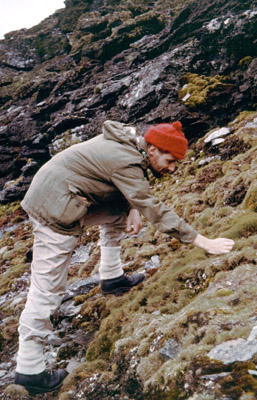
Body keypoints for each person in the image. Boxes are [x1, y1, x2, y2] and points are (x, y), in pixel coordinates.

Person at [14, 120, 234, 394]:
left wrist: (131, 208)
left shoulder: (132, 146)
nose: (173, 168)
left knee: (119, 214)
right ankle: (29, 369)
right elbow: (152, 205)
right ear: (152, 149)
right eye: (170, 159)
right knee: (48, 290)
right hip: (52, 209)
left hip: (66, 194)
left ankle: (112, 277)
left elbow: (126, 186)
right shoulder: (126, 160)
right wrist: (201, 241)